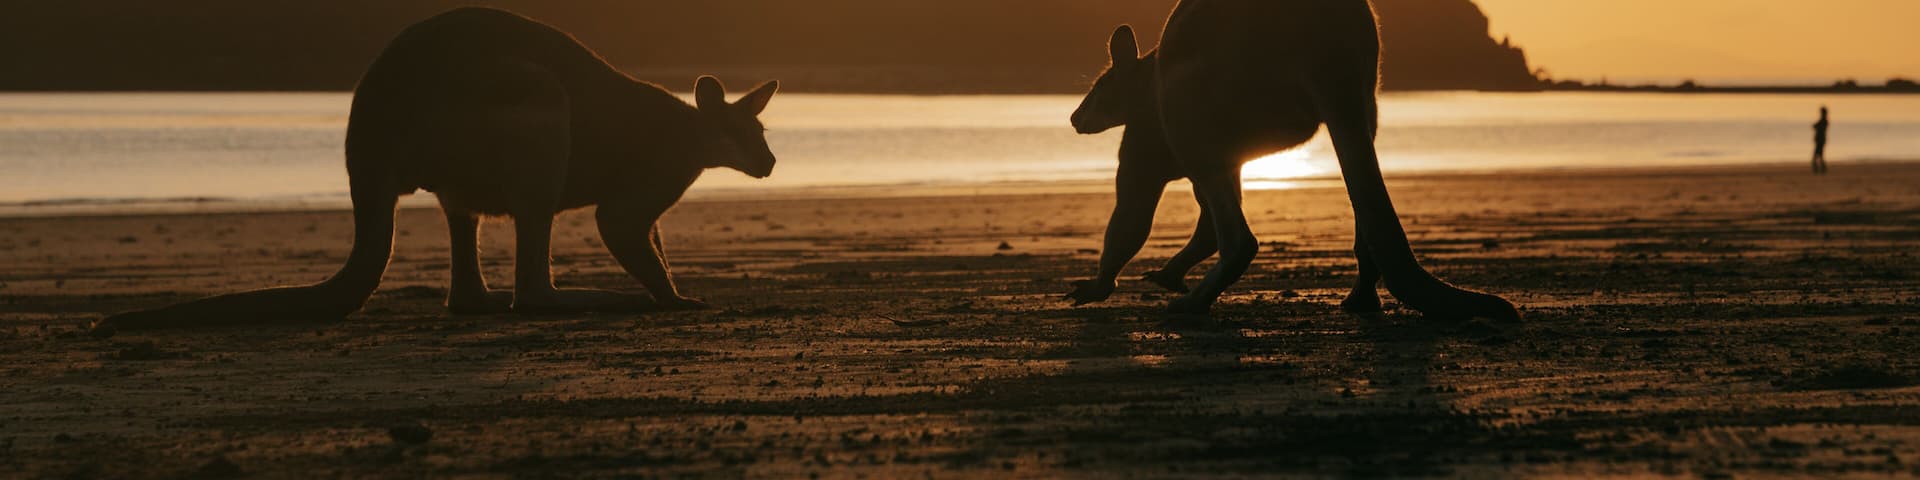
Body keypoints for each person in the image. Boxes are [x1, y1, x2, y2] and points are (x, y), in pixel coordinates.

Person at [1812, 106, 1830, 174]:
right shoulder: (1823, 120)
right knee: (1819, 156)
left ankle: (1819, 169)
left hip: (1820, 141)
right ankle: (1821, 169)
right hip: (1820, 140)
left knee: (1817, 156)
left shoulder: (1824, 120)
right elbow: (1815, 126)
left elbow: (1816, 126)